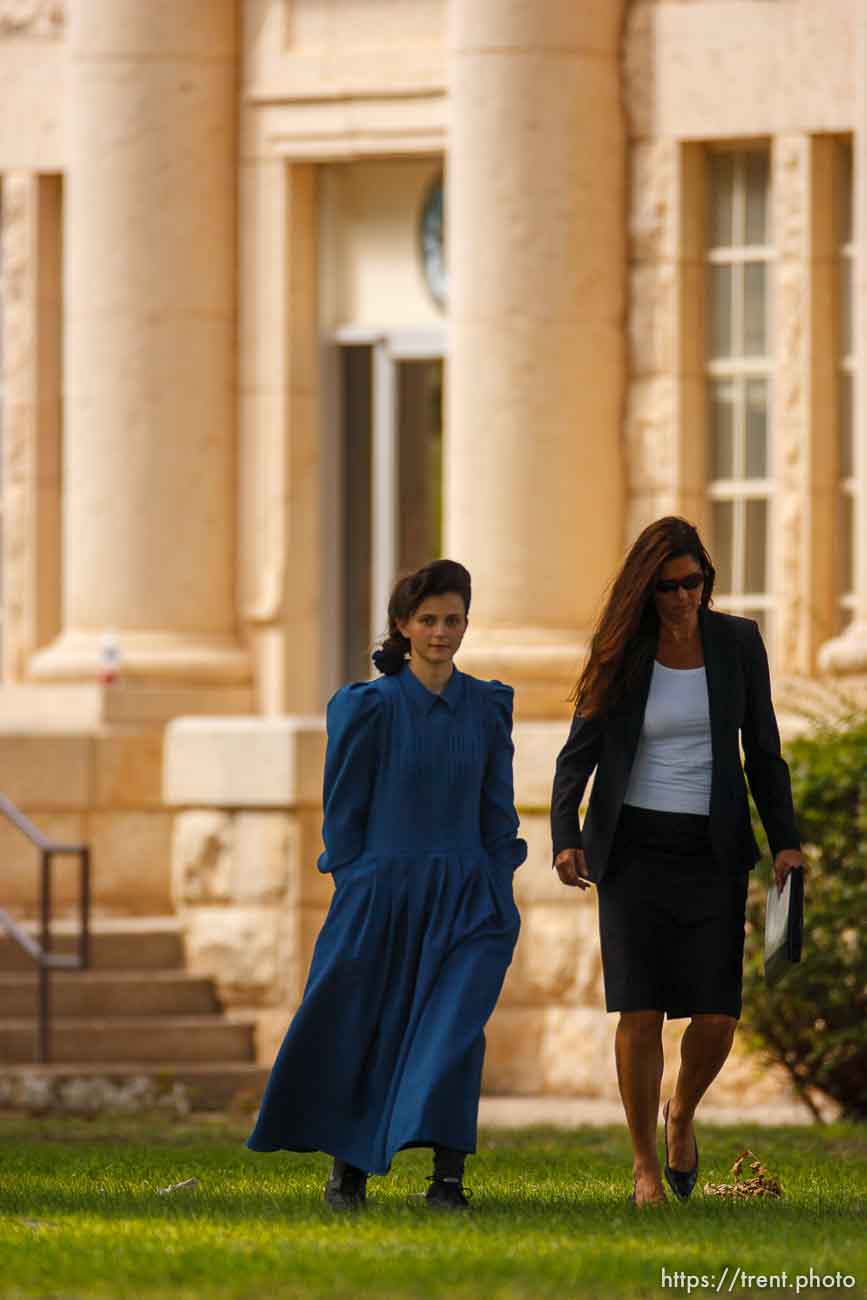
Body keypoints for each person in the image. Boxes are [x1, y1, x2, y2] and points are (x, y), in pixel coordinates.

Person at [247, 558, 526, 1210]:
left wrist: (497, 886)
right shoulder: (367, 707)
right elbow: (343, 809)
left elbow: (497, 806)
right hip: (381, 892)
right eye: (427, 620)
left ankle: (447, 1180)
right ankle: (349, 1172)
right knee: (365, 1024)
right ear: (402, 625)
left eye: (452, 619)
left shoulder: (486, 706)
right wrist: (356, 880)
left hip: (468, 896)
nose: (440, 632)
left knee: (456, 1029)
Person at [550, 517, 804, 1208]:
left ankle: (681, 1113)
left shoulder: (736, 643)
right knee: (639, 1011)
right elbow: (578, 752)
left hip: (712, 848)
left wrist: (783, 838)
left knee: (716, 1015)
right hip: (631, 850)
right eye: (667, 587)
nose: (681, 597)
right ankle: (641, 1169)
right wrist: (563, 833)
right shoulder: (620, 650)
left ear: (706, 581)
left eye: (692, 583)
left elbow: (764, 751)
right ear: (645, 590)